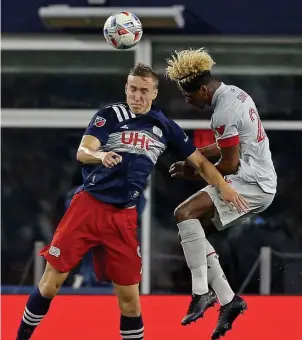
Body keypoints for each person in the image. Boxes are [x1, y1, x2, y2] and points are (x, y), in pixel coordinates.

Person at [16, 63, 247, 340]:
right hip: (88, 207)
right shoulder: (110, 115)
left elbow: (199, 163)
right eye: (133, 89)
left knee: (130, 300)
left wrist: (224, 187)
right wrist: (101, 156)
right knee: (50, 284)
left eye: (144, 91)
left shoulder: (165, 126)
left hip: (123, 217)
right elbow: (83, 150)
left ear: (155, 93)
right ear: (126, 88)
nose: (137, 96)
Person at [166, 48, 277, 339]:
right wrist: (197, 156)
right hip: (261, 180)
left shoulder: (222, 113)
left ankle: (201, 292)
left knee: (184, 213)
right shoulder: (234, 93)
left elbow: (229, 163)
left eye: (190, 96)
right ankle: (229, 301)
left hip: (251, 183)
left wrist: (193, 170)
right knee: (193, 228)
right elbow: (231, 145)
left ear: (203, 89)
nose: (188, 102)